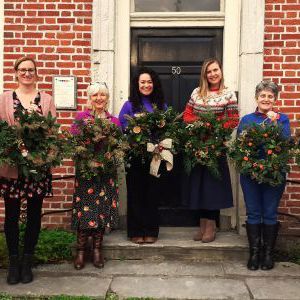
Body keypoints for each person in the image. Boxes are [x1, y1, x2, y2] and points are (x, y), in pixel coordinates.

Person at [0, 56, 56, 284]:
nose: (27, 73)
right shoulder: (4, 99)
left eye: (30, 70)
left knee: (34, 215)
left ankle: (27, 262)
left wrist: (43, 156)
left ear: (36, 73)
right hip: (12, 166)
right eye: (22, 70)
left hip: (37, 166)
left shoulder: (46, 99)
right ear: (15, 73)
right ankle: (13, 262)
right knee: (11, 215)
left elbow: (52, 132)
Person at [183, 58, 239, 243]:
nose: (213, 74)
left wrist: (213, 127)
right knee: (199, 187)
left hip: (216, 148)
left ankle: (211, 226)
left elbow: (233, 120)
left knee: (212, 188)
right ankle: (202, 224)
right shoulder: (197, 93)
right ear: (204, 75)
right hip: (197, 146)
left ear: (220, 71)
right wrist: (202, 125)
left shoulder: (228, 94)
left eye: (216, 70)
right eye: (209, 71)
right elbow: (187, 115)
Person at [237, 80, 291, 271]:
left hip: (274, 174)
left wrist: (274, 122)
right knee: (253, 212)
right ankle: (254, 253)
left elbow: (285, 142)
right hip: (250, 173)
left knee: (269, 212)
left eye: (270, 96)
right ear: (256, 98)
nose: (266, 99)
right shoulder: (247, 120)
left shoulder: (282, 119)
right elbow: (241, 146)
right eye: (263, 96)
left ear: (275, 99)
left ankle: (267, 254)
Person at [71, 82, 120, 270]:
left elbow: (118, 147)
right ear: (89, 98)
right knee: (85, 210)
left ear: (107, 98)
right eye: (95, 95)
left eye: (103, 95)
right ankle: (82, 250)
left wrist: (109, 156)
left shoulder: (113, 121)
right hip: (86, 173)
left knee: (101, 209)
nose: (99, 98)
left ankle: (98, 249)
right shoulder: (81, 118)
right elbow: (74, 145)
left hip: (105, 173)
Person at [118, 67, 166, 244]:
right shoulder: (129, 105)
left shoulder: (161, 106)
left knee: (152, 193)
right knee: (136, 193)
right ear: (137, 85)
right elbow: (121, 127)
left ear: (154, 84)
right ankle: (136, 230)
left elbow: (166, 129)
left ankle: (151, 230)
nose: (146, 85)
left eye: (149, 82)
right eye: (143, 82)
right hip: (135, 156)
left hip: (155, 156)